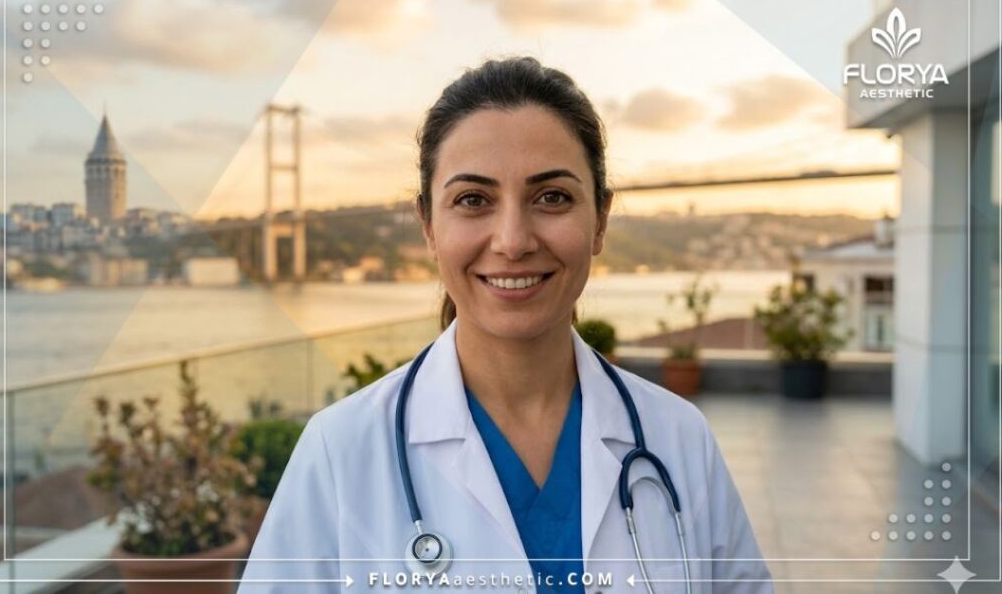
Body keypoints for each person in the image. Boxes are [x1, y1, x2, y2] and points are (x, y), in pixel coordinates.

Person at [237, 57, 773, 594]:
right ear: (427, 225)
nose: (513, 241)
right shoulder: (340, 451)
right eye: (473, 200)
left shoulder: (679, 439)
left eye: (552, 197)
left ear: (601, 221)